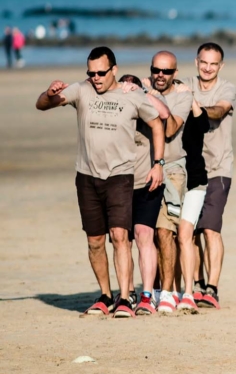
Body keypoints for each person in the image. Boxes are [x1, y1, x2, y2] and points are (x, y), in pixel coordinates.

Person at [35, 47, 164, 318]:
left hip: (120, 175)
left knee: (119, 236)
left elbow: (156, 124)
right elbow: (42, 105)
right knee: (95, 241)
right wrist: (49, 93)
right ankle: (106, 295)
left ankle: (126, 298)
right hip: (86, 176)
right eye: (91, 73)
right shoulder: (81, 90)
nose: (95, 78)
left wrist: (158, 164)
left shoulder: (133, 95)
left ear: (114, 70)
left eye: (101, 73)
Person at [182, 42, 236, 309]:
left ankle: (212, 289)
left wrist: (197, 109)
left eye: (213, 64)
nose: (207, 68)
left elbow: (220, 110)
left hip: (218, 169)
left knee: (210, 229)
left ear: (220, 66)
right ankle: (196, 284)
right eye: (204, 62)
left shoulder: (226, 89)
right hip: (189, 168)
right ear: (196, 62)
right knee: (190, 230)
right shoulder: (185, 85)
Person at [143, 52, 195, 314]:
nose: (160, 75)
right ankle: (147, 290)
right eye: (156, 70)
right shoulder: (140, 88)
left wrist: (152, 95)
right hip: (143, 170)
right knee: (144, 234)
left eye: (166, 71)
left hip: (174, 171)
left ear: (175, 73)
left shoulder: (183, 95)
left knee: (166, 232)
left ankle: (168, 292)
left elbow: (172, 127)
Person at [117, 74, 172, 316]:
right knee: (121, 239)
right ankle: (126, 294)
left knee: (144, 235)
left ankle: (147, 295)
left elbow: (164, 115)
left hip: (148, 179)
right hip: (118, 182)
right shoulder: (115, 103)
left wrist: (142, 92)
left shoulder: (148, 99)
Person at [175, 88, 213, 313]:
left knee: (185, 235)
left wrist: (190, 98)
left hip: (194, 181)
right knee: (165, 237)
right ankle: (170, 291)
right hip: (169, 179)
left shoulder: (193, 114)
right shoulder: (162, 109)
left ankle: (188, 292)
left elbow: (204, 125)